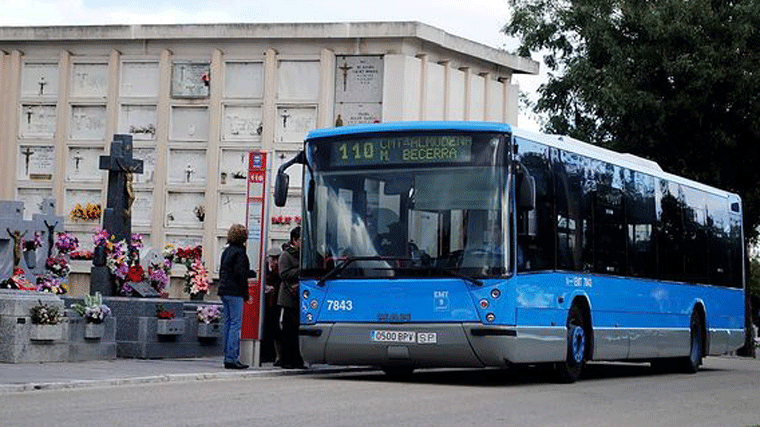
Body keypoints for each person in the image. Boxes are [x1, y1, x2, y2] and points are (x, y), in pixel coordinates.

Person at [217, 224, 255, 369]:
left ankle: (227, 355)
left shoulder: (226, 251)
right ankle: (232, 358)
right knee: (235, 325)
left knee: (227, 324)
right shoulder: (240, 253)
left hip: (224, 290)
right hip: (235, 292)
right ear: (243, 237)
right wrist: (251, 275)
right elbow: (241, 274)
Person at [278, 226, 305, 369]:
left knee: (296, 330)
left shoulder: (304, 254)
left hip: (300, 296)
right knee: (288, 330)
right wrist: (301, 270)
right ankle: (286, 359)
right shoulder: (286, 255)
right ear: (294, 240)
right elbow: (283, 274)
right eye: (301, 240)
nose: (303, 242)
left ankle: (297, 359)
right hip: (289, 297)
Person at [263, 247, 283, 366]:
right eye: (272, 259)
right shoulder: (266, 269)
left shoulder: (278, 271)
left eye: (276, 259)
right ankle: (270, 355)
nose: (274, 262)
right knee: (270, 328)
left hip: (276, 302)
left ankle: (278, 356)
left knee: (277, 330)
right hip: (268, 303)